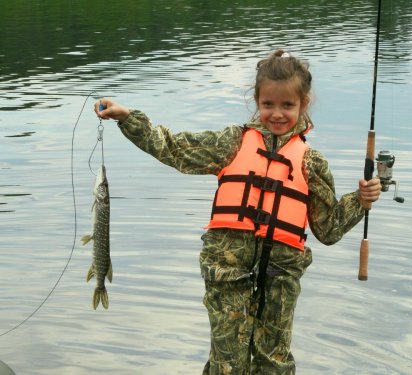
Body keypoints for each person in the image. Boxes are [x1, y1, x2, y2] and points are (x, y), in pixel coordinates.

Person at [95, 49, 381, 375]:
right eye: (268, 104)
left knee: (274, 363)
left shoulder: (311, 162)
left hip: (281, 277)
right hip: (226, 272)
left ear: (303, 104)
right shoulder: (232, 142)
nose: (277, 113)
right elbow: (174, 148)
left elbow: (328, 229)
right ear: (257, 101)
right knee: (227, 364)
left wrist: (361, 200)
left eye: (287, 105)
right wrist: (128, 118)